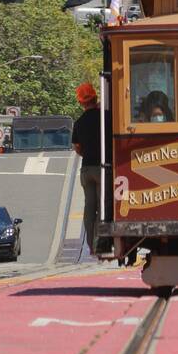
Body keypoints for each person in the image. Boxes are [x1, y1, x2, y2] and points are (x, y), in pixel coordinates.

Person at [71, 82, 101, 256]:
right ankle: (101, 240)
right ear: (95, 98)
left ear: (81, 102)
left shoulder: (79, 122)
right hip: (101, 169)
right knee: (101, 206)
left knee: (89, 207)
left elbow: (78, 148)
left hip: (86, 170)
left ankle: (91, 245)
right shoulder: (105, 117)